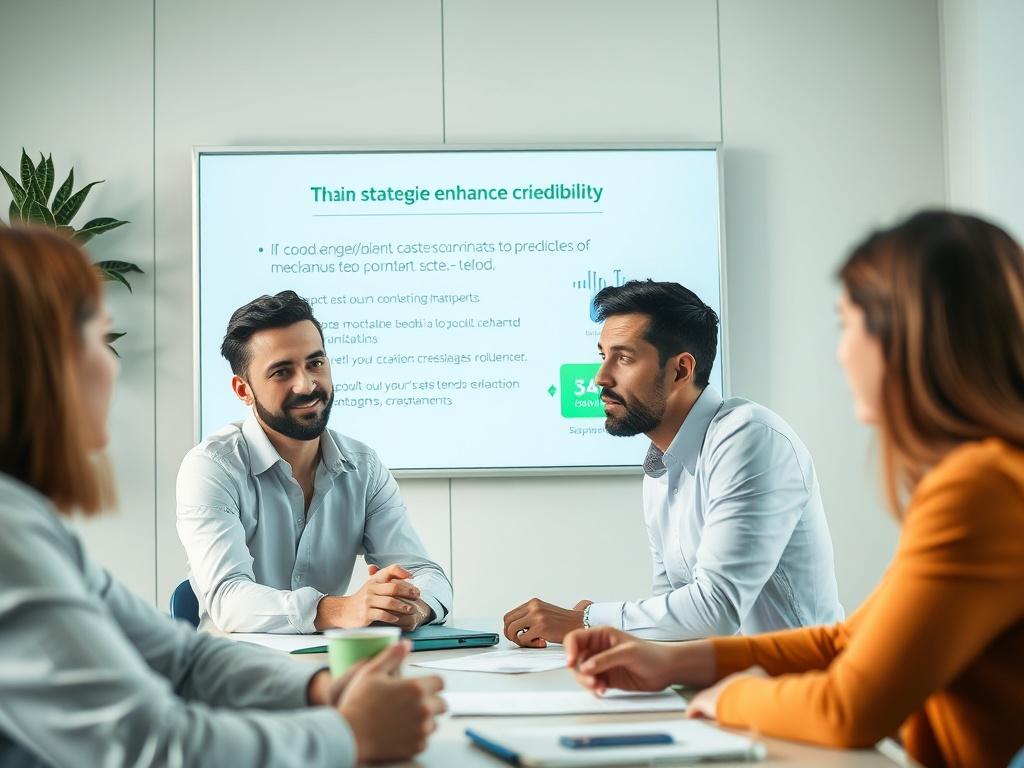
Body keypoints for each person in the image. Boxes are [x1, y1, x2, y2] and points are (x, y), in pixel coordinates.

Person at [564, 211, 1024, 768]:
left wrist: (727, 696)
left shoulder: (983, 488)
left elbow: (846, 708)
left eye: (847, 325)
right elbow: (847, 641)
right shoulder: (982, 476)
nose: (840, 353)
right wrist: (673, 665)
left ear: (906, 337)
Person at [0, 227, 445, 767]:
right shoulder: (9, 538)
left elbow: (182, 660)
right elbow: (150, 745)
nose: (113, 365)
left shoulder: (28, 523)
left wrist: (325, 690)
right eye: (99, 340)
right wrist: (348, 734)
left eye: (316, 362)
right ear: (35, 368)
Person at [504, 281, 842, 646]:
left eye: (624, 358)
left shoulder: (749, 438)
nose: (600, 377)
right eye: (603, 355)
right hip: (725, 685)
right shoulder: (660, 470)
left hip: (803, 690)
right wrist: (598, 635)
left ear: (681, 370)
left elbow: (716, 610)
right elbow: (675, 619)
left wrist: (586, 621)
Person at [176, 291, 452, 633]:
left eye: (315, 363)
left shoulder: (363, 467)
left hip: (328, 666)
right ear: (243, 390)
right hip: (235, 671)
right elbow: (229, 600)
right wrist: (341, 609)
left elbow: (427, 574)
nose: (306, 384)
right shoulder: (211, 467)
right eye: (281, 372)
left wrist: (414, 604)